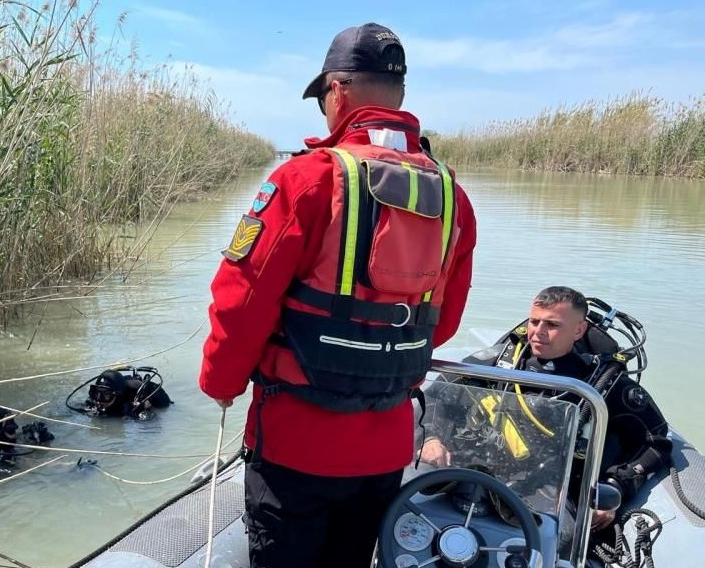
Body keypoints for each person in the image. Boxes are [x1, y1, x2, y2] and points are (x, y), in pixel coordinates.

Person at [198, 22, 477, 568]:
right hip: (386, 443)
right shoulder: (454, 198)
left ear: (338, 91)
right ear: (400, 96)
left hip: (294, 443)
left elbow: (241, 302)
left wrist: (220, 383)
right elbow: (440, 324)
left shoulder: (306, 180)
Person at [421, 287, 671, 539]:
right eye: (534, 321)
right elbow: (436, 396)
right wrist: (431, 438)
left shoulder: (602, 384)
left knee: (559, 541)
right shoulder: (499, 364)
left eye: (552, 324)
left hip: (550, 492)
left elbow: (654, 441)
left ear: (578, 330)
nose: (538, 332)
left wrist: (614, 486)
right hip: (475, 473)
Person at [68, 366, 173, 420]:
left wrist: (139, 413)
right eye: (96, 393)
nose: (99, 400)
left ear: (116, 395)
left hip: (149, 395)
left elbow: (153, 426)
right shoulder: (97, 400)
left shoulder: (134, 398)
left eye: (105, 394)